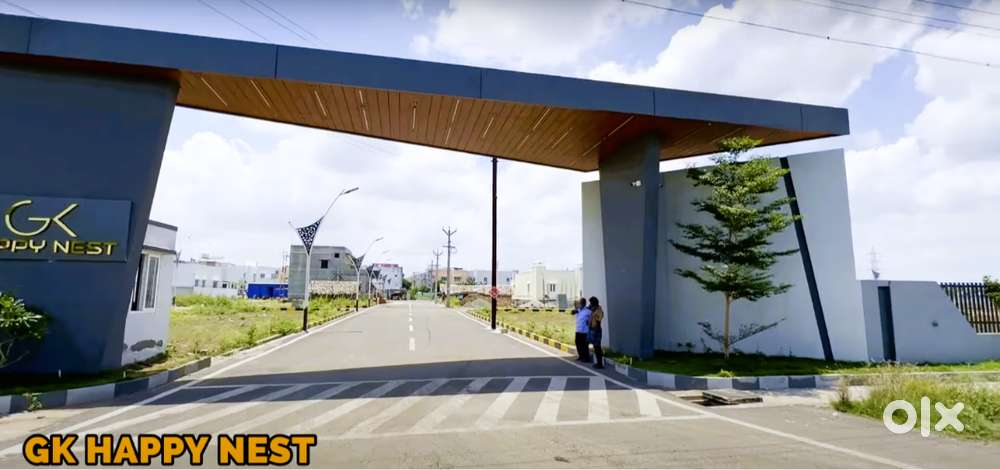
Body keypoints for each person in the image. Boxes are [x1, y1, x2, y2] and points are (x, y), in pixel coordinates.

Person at [571, 297, 591, 362]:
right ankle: (581, 356)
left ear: (584, 304)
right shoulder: (578, 311)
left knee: (585, 345)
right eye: (580, 303)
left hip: (585, 331)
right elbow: (572, 312)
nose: (580, 304)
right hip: (578, 330)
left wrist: (589, 321)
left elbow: (591, 319)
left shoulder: (588, 311)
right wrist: (575, 308)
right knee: (578, 343)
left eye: (581, 303)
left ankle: (586, 358)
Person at [588, 296, 605, 368]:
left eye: (591, 303)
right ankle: (598, 362)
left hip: (596, 330)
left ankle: (600, 364)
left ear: (594, 303)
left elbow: (599, 320)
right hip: (593, 330)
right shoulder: (594, 310)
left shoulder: (599, 310)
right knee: (595, 347)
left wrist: (594, 313)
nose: (590, 304)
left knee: (597, 347)